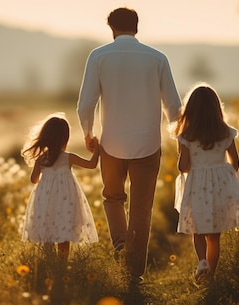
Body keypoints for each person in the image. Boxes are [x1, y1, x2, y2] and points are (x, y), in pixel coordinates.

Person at [77, 7, 182, 282]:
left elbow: (86, 103)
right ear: (137, 26)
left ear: (111, 28)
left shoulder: (98, 56)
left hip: (110, 143)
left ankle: (121, 244)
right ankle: (134, 271)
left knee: (112, 198)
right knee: (141, 207)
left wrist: (88, 134)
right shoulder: (157, 58)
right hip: (148, 143)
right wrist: (180, 140)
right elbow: (173, 104)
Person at [172, 82, 239, 283]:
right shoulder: (226, 133)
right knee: (214, 236)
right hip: (221, 187)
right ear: (217, 108)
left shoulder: (186, 137)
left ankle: (202, 262)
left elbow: (182, 167)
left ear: (190, 110)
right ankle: (212, 276)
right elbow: (235, 162)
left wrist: (197, 169)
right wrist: (223, 174)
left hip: (197, 186)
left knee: (198, 231)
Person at [21, 114, 100, 261]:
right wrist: (98, 150)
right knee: (64, 229)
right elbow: (92, 165)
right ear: (65, 138)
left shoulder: (41, 159)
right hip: (66, 201)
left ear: (45, 137)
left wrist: (45, 178)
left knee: (48, 229)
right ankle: (62, 264)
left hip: (45, 199)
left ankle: (49, 262)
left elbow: (34, 180)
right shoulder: (68, 157)